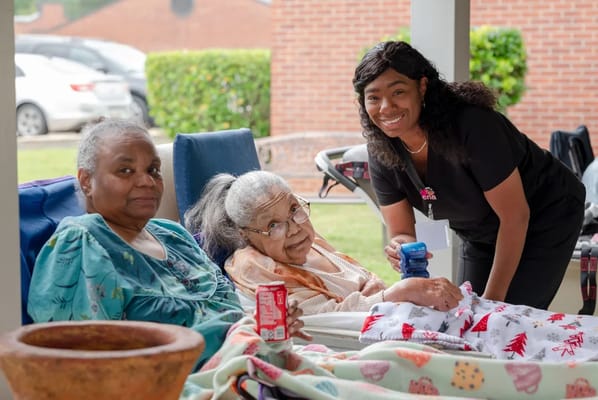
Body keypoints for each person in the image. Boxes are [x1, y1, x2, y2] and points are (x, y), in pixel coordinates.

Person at [27, 118, 310, 368]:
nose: (146, 182)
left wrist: (268, 325)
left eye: (153, 170)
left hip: (247, 366)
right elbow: (89, 364)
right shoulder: (82, 242)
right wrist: (246, 334)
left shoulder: (173, 235)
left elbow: (225, 315)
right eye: (125, 171)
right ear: (86, 181)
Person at [352, 41, 585, 309]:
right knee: (461, 310)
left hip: (545, 215)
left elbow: (515, 216)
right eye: (373, 97)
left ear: (423, 87)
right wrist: (400, 248)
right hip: (481, 231)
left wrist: (493, 303)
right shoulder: (382, 151)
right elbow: (402, 231)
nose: (386, 107)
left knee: (509, 316)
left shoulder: (473, 126)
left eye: (398, 92)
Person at [184, 170, 463, 315]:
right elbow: (325, 319)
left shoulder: (308, 241)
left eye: (294, 209)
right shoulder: (253, 267)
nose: (295, 228)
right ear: (245, 234)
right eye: (273, 225)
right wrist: (403, 291)